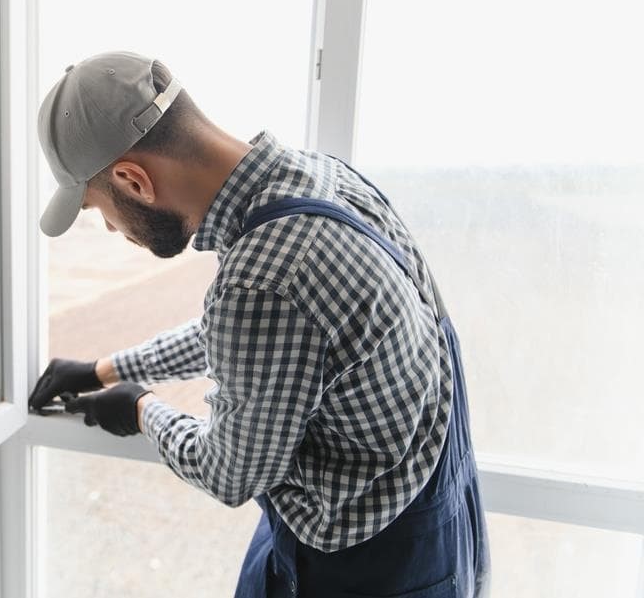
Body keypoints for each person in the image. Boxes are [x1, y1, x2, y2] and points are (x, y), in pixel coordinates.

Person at [29, 51, 490, 597]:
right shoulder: (323, 178)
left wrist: (139, 407)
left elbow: (229, 474)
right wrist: (106, 368)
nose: (109, 226)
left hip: (364, 574)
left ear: (133, 180)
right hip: (439, 528)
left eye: (95, 208)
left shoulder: (262, 279)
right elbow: (266, 346)